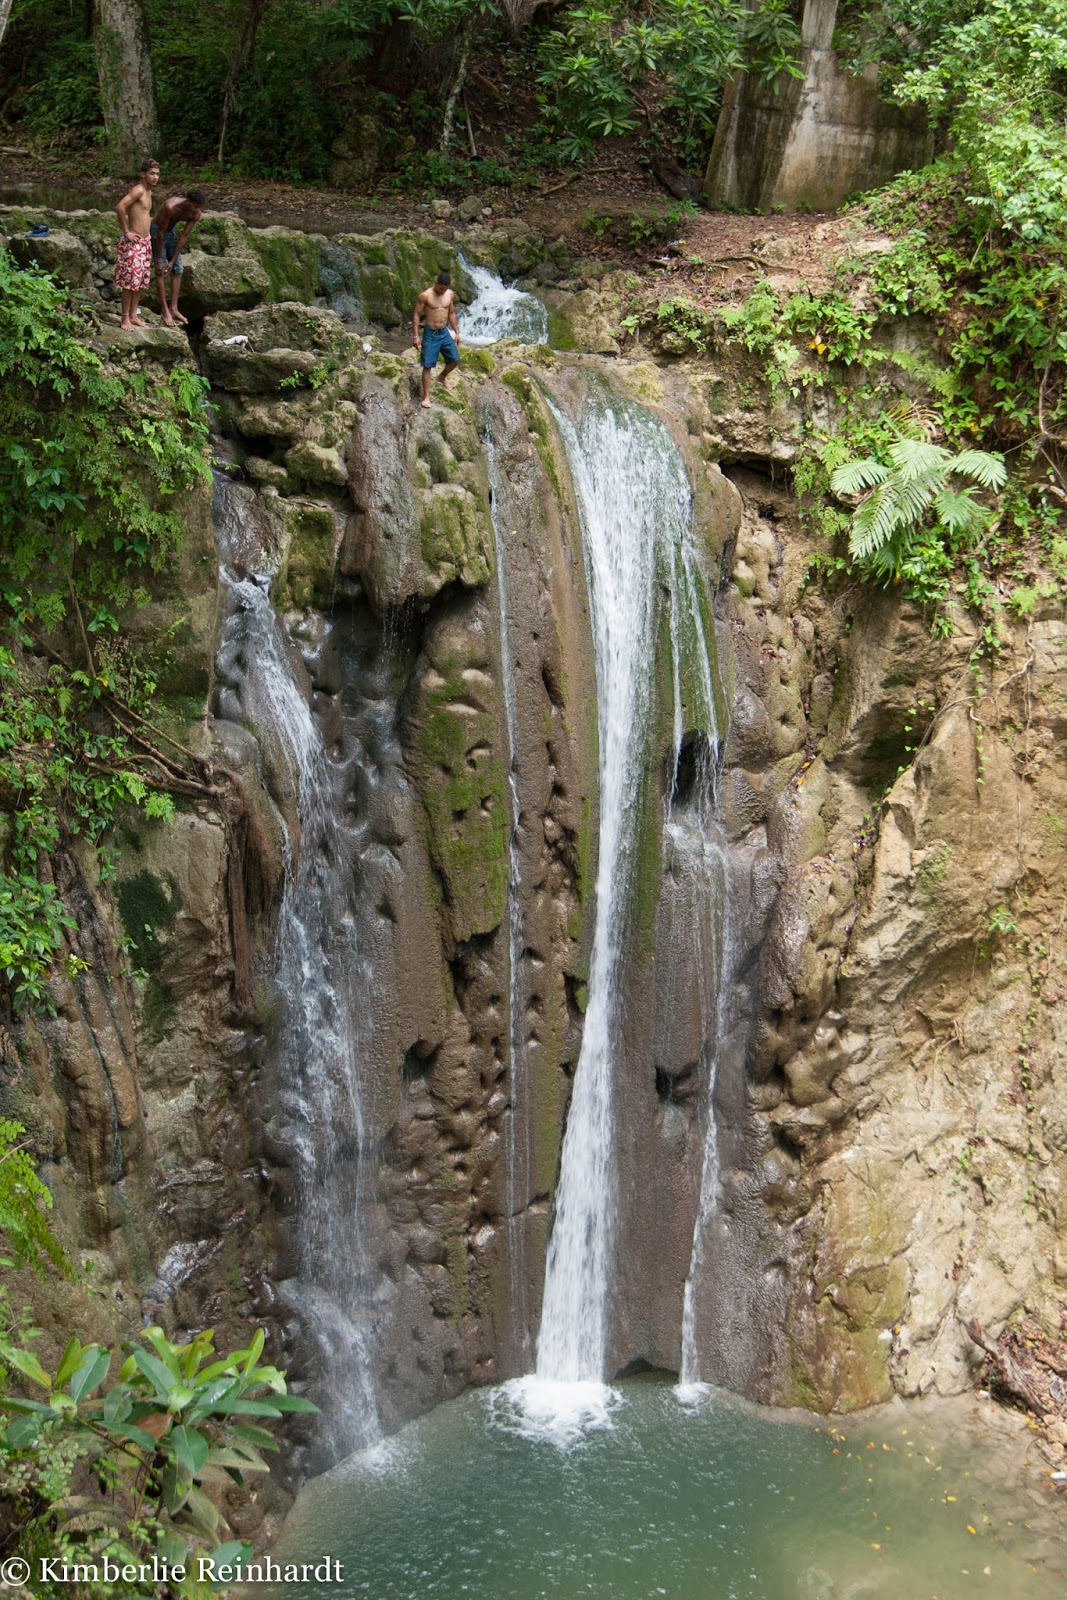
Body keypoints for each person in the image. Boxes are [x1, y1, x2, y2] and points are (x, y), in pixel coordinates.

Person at [114, 159, 160, 330]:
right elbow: (120, 207)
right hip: (134, 243)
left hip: (145, 242)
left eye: (157, 174)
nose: (155, 177)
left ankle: (133, 315)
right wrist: (126, 231)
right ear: (143, 174)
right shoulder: (139, 190)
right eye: (152, 173)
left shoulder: (149, 191)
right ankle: (124, 318)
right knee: (129, 281)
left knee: (139, 281)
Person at [151, 189, 206, 327]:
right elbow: (161, 233)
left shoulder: (196, 214)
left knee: (178, 269)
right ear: (188, 202)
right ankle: (165, 311)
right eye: (195, 206)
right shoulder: (170, 207)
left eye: (199, 207)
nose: (197, 210)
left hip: (170, 232)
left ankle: (173, 309)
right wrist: (159, 260)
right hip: (157, 230)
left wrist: (173, 260)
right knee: (160, 270)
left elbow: (184, 236)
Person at [412, 270, 461, 408]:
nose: (442, 291)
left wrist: (457, 332)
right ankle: (426, 397)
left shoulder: (449, 294)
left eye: (445, 289)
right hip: (430, 333)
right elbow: (416, 314)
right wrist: (415, 336)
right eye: (440, 288)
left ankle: (442, 377)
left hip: (444, 332)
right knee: (427, 365)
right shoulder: (425, 296)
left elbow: (451, 313)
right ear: (436, 283)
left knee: (455, 359)